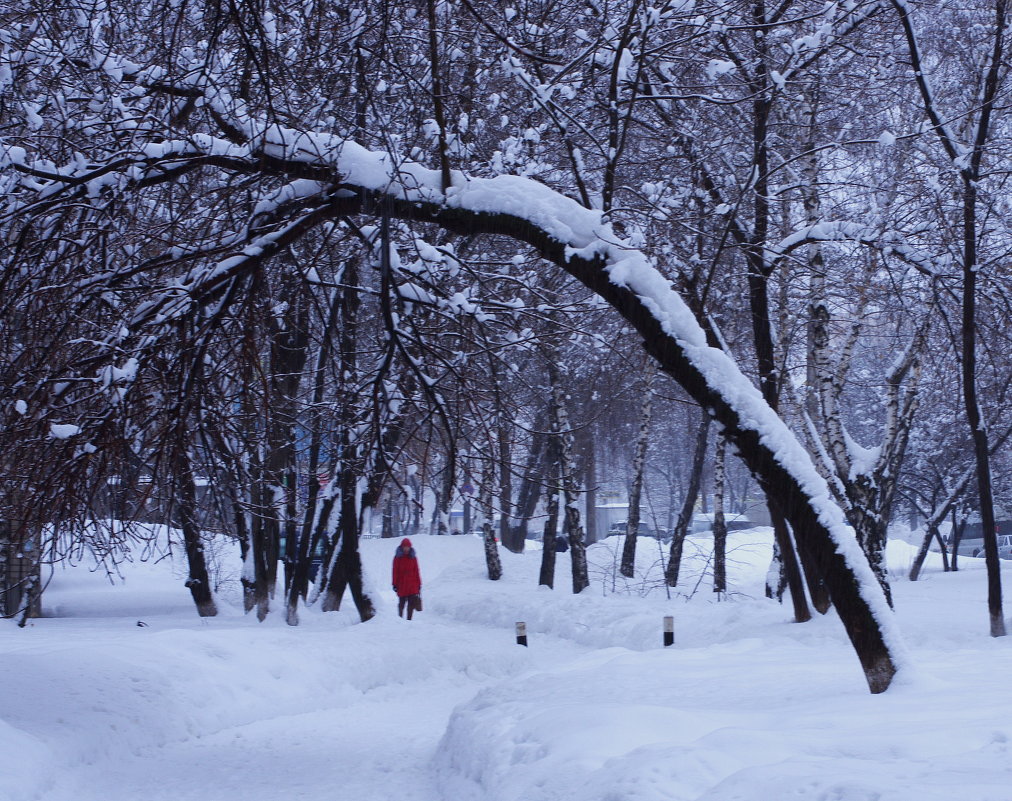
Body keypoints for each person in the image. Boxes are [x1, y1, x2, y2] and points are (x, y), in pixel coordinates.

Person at [392, 537, 422, 619]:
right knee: (401, 603)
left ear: (410, 547)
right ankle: (400, 619)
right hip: (402, 584)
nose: (406, 549)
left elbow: (416, 571)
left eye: (407, 547)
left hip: (412, 584)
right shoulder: (397, 558)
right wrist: (394, 584)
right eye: (404, 547)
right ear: (402, 547)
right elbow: (395, 571)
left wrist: (419, 584)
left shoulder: (413, 558)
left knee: (411, 604)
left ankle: (409, 620)